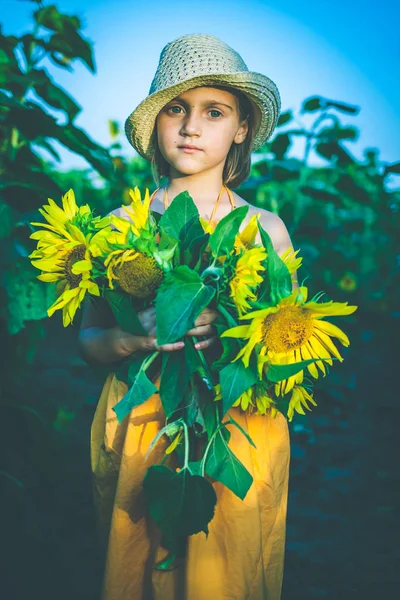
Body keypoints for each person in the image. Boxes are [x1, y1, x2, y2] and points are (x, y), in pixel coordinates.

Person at [79, 33, 298, 600]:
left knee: (225, 569)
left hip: (234, 431)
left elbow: (290, 352)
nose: (191, 126)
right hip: (142, 421)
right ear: (156, 123)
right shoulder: (119, 228)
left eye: (214, 112)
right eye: (176, 109)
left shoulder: (265, 230)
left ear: (242, 127)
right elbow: (89, 341)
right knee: (138, 558)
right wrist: (134, 337)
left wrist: (233, 340)